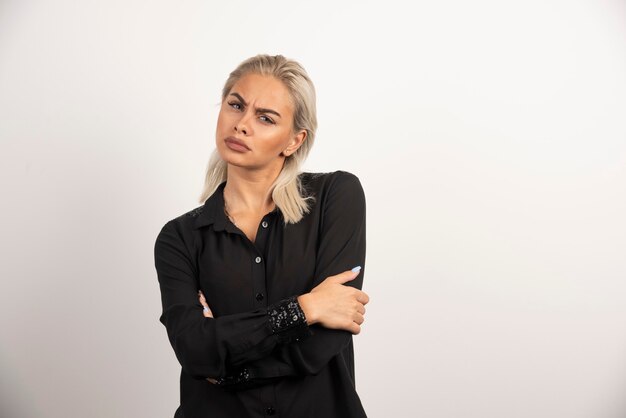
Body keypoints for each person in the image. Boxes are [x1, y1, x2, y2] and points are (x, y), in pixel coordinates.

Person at [154, 54, 369, 418]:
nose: (241, 125)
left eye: (265, 118)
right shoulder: (179, 237)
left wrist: (223, 365)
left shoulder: (336, 196)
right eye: (235, 105)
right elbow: (194, 350)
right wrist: (307, 308)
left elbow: (321, 345)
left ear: (293, 141)